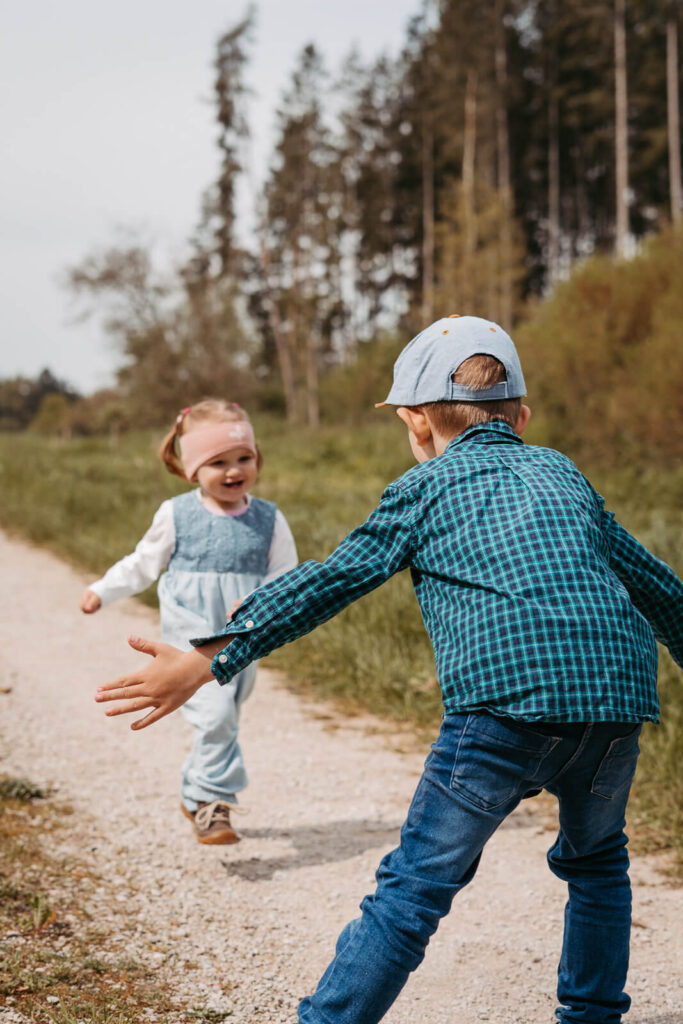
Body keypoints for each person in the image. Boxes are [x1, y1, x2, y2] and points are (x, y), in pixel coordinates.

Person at [94, 316, 683, 1024]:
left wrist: (206, 657)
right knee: (597, 864)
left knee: (414, 888)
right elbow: (657, 587)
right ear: (520, 416)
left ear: (414, 423)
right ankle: (591, 1016)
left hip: (500, 711)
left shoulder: (423, 486)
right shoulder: (563, 473)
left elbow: (330, 580)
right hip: (614, 705)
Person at [81, 399, 297, 844]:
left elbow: (286, 579)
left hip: (241, 639)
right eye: (218, 462)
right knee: (216, 713)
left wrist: (267, 610)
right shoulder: (177, 514)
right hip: (188, 638)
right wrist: (103, 589)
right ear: (191, 468)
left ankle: (195, 794)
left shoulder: (270, 520)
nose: (234, 470)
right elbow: (143, 564)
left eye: (244, 458)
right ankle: (211, 802)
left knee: (226, 716)